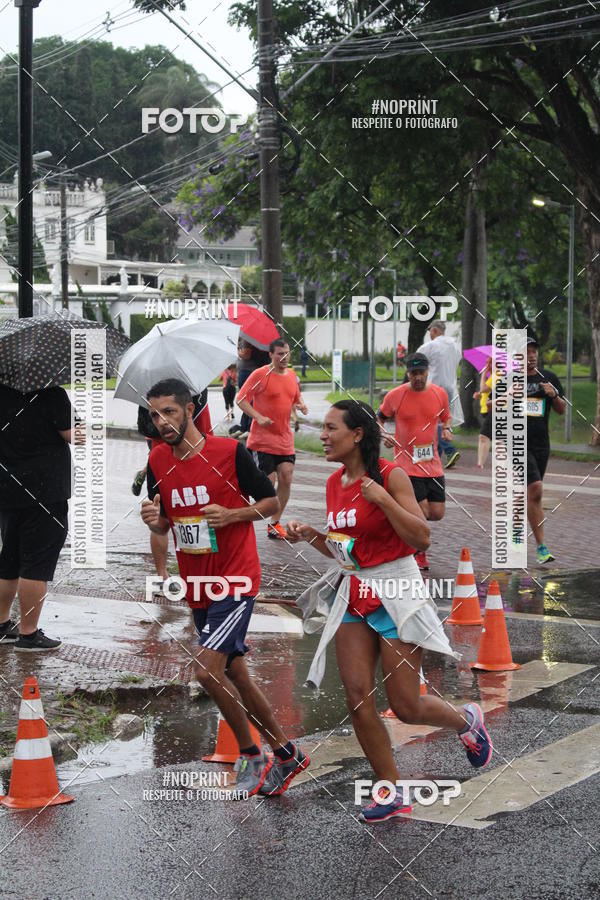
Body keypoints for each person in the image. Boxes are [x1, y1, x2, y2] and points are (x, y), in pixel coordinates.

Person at [286, 401, 492, 823]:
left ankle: (466, 720)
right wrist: (312, 537)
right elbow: (348, 551)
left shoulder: (389, 474)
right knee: (357, 698)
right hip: (354, 591)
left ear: (357, 433)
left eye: (330, 428)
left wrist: (382, 498)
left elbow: (421, 536)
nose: (322, 436)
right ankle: (390, 789)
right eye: (322, 429)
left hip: (396, 588)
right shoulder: (333, 483)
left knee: (404, 706)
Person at [141, 378, 309, 796]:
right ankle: (287, 753)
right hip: (197, 584)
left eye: (170, 412)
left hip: (234, 579)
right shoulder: (159, 461)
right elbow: (166, 520)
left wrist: (233, 515)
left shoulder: (228, 452)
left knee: (206, 670)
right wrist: (154, 520)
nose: (162, 421)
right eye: (155, 414)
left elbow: (270, 503)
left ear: (191, 409)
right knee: (235, 671)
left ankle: (252, 754)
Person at [0, 384, 80, 650]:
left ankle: (2, 625)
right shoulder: (49, 392)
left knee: (9, 559)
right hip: (45, 491)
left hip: (7, 489)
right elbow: (73, 436)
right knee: (36, 564)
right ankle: (28, 634)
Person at [377, 352, 452, 571]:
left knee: (436, 512)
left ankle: (397, 524)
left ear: (428, 372)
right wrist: (384, 435)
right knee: (420, 512)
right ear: (408, 373)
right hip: (407, 465)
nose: (418, 378)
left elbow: (445, 418)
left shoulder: (440, 394)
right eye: (414, 374)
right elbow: (378, 418)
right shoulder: (396, 395)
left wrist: (446, 430)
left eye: (421, 373)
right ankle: (417, 553)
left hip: (432, 464)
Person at [134, 390, 212, 589]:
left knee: (162, 514)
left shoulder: (148, 379)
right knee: (175, 513)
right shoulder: (194, 382)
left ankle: (169, 575)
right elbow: (204, 425)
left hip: (162, 453)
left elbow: (146, 425)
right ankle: (185, 576)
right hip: (176, 454)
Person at [236, 338, 308, 540]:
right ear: (271, 354)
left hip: (285, 439)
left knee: (286, 477)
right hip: (262, 441)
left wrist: (301, 405)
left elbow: (295, 397)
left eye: (287, 353)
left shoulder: (292, 376)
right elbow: (241, 399)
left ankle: (274, 524)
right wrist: (258, 417)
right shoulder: (260, 374)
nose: (284, 358)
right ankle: (242, 511)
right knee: (268, 483)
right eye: (280, 354)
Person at [525, 336, 565, 563]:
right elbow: (491, 405)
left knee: (532, 495)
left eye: (534, 351)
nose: (531, 355)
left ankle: (521, 529)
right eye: (527, 351)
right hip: (518, 443)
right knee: (537, 488)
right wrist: (507, 396)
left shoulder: (549, 378)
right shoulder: (511, 379)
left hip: (542, 444)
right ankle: (541, 546)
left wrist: (554, 395)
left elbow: (561, 410)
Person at [416, 320, 463, 469]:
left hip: (434, 389)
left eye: (430, 331)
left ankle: (449, 450)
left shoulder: (430, 346)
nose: (429, 334)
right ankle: (433, 457)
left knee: (431, 422)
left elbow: (416, 362)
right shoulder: (455, 346)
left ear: (434, 330)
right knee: (442, 421)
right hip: (449, 389)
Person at [236, 339, 269, 436]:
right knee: (246, 400)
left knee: (248, 401)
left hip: (248, 372)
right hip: (246, 371)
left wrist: (237, 350)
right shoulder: (245, 339)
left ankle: (249, 427)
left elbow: (246, 354)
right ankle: (244, 426)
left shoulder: (247, 340)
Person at [472, 357, 496, 468]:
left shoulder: (497, 375)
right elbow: (487, 392)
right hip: (487, 410)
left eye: (490, 362)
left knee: (484, 436)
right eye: (486, 362)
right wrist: (480, 396)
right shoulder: (492, 376)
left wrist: (483, 373)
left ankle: (480, 464)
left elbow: (484, 388)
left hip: (495, 410)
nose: (487, 365)